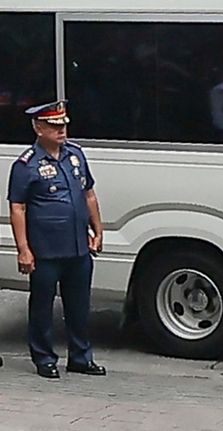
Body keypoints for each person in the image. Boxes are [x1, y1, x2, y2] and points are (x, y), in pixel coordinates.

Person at [7, 100, 106, 379]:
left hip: (77, 246)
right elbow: (18, 208)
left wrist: (98, 230)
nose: (61, 130)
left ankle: (80, 357)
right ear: (39, 128)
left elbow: (88, 194)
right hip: (46, 250)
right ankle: (44, 358)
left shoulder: (75, 155)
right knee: (42, 306)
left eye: (63, 125)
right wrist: (23, 249)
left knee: (79, 306)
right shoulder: (26, 164)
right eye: (54, 126)